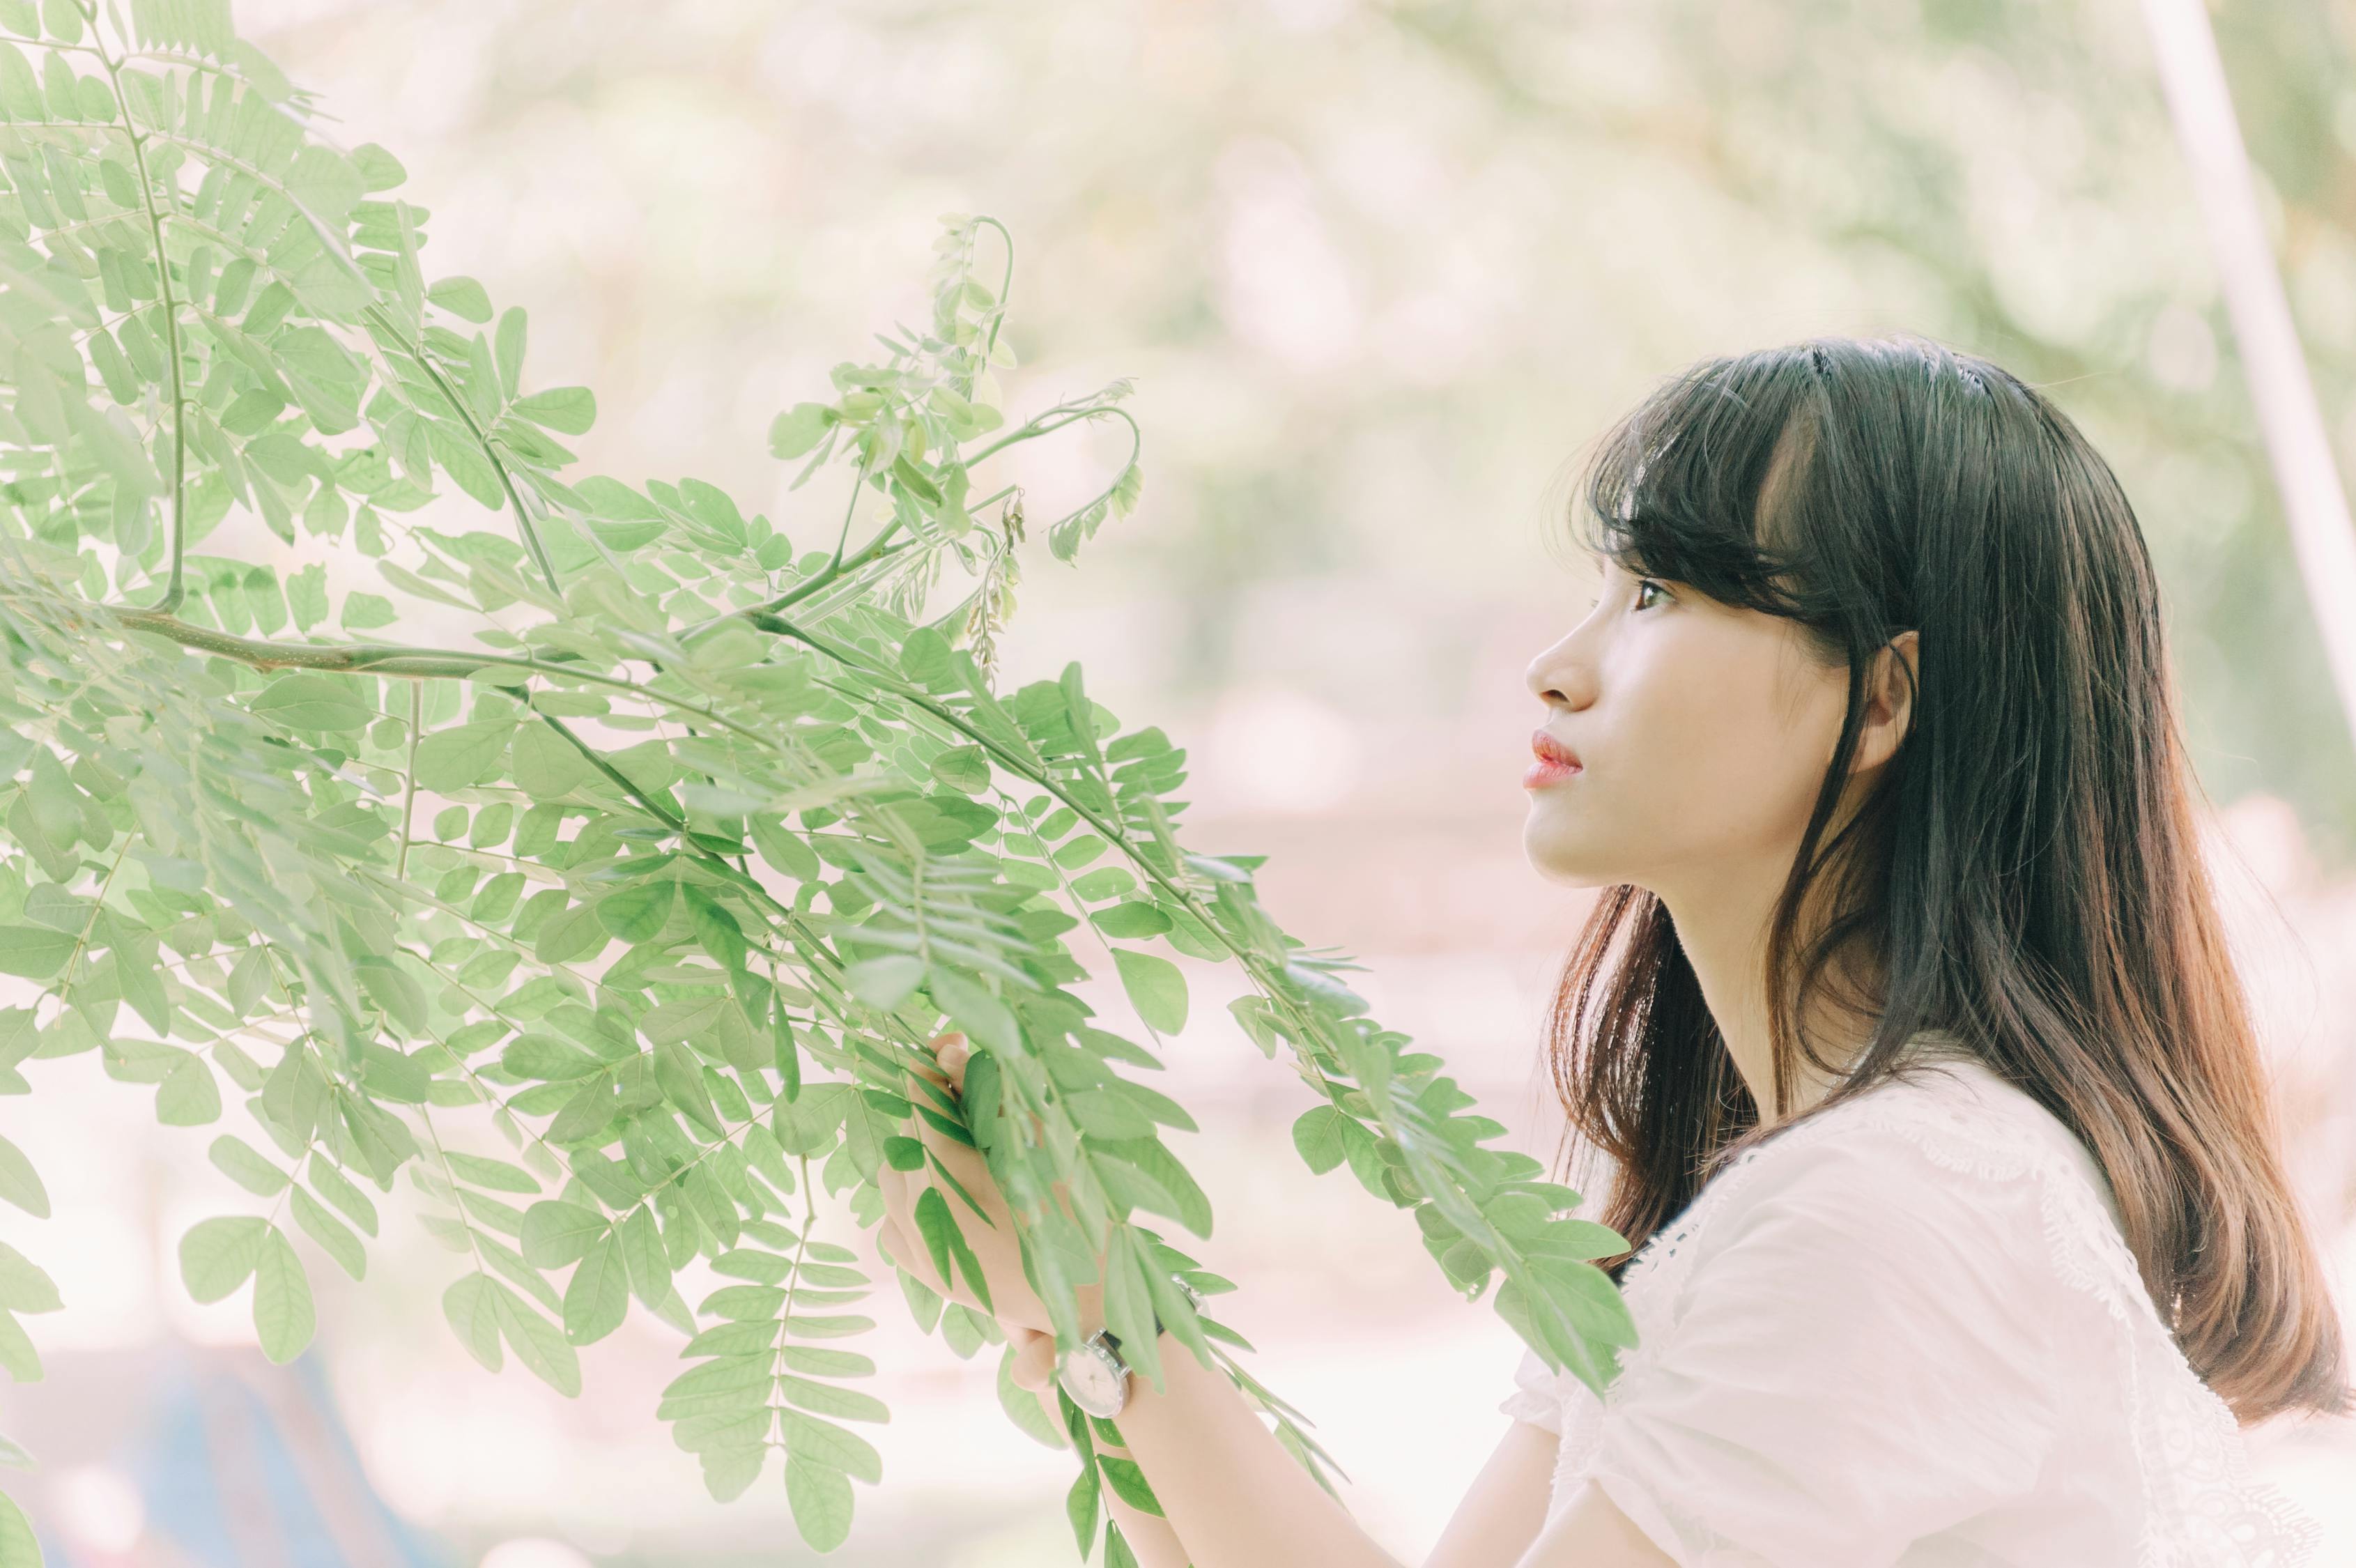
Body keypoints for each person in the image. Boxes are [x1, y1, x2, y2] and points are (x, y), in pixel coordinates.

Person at [873, 335, 2350, 1567]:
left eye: (1654, 594)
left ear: (1882, 699)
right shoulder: (1782, 1186)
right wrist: (1088, 1299)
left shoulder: (1882, 1215)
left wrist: (1086, 1302)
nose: (1556, 665)